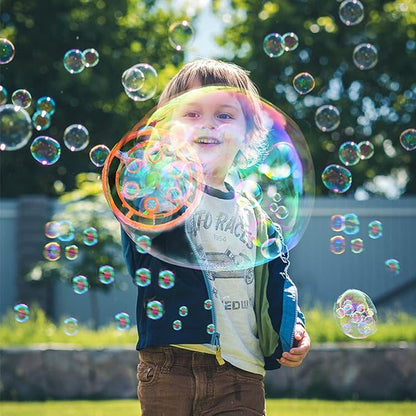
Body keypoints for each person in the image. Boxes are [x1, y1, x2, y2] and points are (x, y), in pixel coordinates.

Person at [120, 59, 311, 416]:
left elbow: (277, 283)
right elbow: (138, 232)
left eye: (224, 115)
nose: (208, 123)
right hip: (169, 365)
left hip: (242, 375)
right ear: (167, 129)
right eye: (191, 114)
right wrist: (152, 177)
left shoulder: (257, 217)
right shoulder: (160, 197)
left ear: (249, 133)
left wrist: (294, 328)